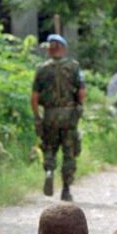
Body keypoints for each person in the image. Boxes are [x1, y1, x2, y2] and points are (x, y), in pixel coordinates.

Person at [31, 34, 86, 202]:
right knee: (69, 152)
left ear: (49, 49)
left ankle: (49, 170)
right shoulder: (74, 67)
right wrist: (79, 105)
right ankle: (66, 189)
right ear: (63, 48)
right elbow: (82, 93)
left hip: (50, 114)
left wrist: (37, 117)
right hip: (69, 115)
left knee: (49, 147)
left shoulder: (41, 69)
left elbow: (33, 98)